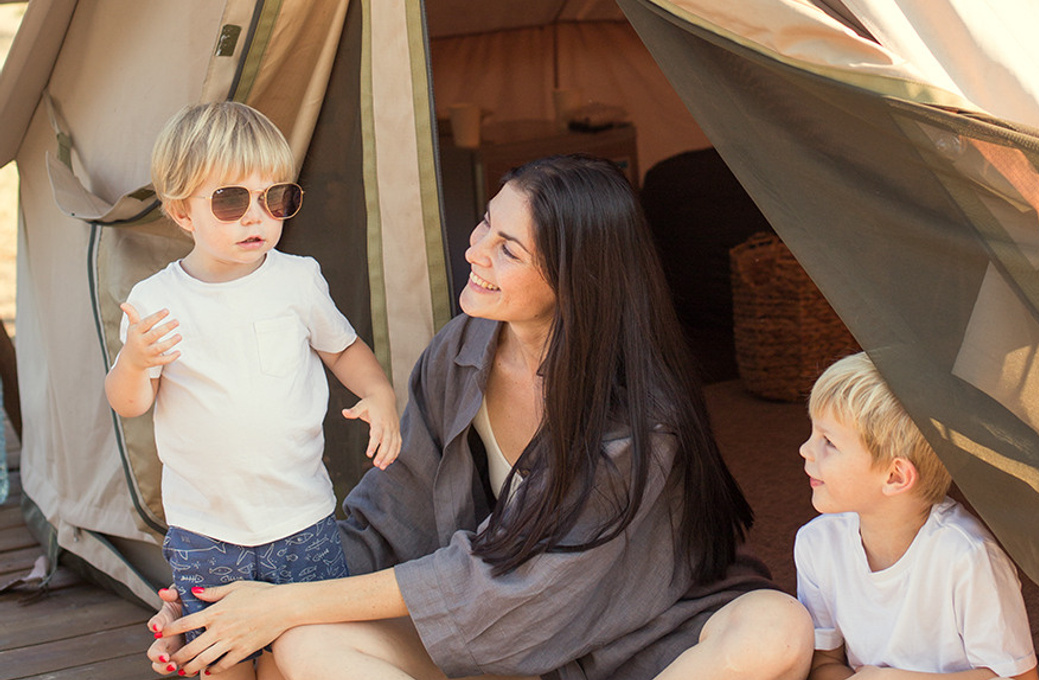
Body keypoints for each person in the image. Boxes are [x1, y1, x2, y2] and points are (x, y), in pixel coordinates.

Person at [146, 153, 813, 680]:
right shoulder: (461, 351)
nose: (476, 251)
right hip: (504, 646)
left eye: (508, 250)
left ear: (576, 279)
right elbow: (388, 520)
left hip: (637, 635)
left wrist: (282, 604)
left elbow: (514, 591)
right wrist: (227, 601)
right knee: (304, 646)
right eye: (485, 224)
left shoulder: (641, 423)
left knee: (776, 629)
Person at [107, 101, 401, 680]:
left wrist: (381, 394)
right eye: (230, 200)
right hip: (208, 533)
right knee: (220, 662)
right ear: (181, 212)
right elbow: (131, 403)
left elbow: (342, 348)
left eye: (276, 198)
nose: (256, 218)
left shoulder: (297, 279)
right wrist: (135, 361)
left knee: (307, 654)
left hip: (304, 522)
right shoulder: (155, 302)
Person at [795, 353, 1039, 680]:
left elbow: (1018, 678)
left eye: (829, 442)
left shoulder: (967, 558)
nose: (805, 450)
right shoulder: (818, 544)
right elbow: (823, 664)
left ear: (896, 477)